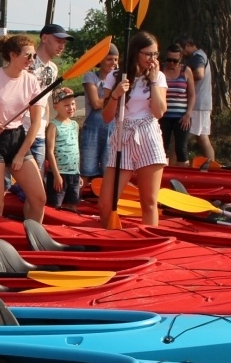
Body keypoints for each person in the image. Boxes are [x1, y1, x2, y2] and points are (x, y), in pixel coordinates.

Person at [0, 34, 47, 221]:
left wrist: (21, 154)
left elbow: (36, 122)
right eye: (28, 56)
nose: (32, 60)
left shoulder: (31, 81)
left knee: (39, 198)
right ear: (13, 55)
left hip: (18, 139)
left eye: (34, 56)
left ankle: (32, 240)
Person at [102, 31, 167, 228]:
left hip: (148, 134)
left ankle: (149, 242)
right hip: (123, 134)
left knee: (148, 202)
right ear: (136, 53)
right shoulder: (115, 76)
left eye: (155, 54)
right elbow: (106, 117)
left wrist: (154, 81)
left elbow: (159, 112)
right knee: (106, 203)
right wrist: (115, 94)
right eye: (148, 54)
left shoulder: (159, 77)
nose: (152, 59)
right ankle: (112, 238)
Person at [27, 23, 71, 171]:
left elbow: (45, 96)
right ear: (45, 38)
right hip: (18, 130)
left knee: (37, 180)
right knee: (8, 183)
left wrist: (62, 94)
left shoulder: (53, 68)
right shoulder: (27, 62)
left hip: (38, 131)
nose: (62, 46)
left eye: (64, 43)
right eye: (58, 41)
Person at [79, 46, 119, 185]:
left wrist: (110, 99)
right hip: (92, 129)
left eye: (115, 59)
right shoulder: (91, 76)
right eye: (109, 59)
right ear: (100, 60)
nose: (113, 63)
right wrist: (114, 97)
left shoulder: (119, 79)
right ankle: (76, 201)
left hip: (113, 129)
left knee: (109, 169)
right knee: (87, 169)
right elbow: (95, 103)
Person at [45, 86, 82, 210]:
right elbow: (50, 152)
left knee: (73, 203)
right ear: (56, 106)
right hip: (59, 174)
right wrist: (56, 175)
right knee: (56, 204)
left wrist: (78, 172)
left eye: (72, 104)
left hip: (74, 173)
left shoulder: (75, 125)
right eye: (66, 105)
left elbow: (76, 150)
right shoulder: (53, 126)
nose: (71, 108)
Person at [158, 46, 194, 165]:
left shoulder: (186, 71)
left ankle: (183, 175)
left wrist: (188, 114)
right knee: (161, 146)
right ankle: (162, 173)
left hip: (181, 116)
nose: (171, 63)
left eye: (175, 61)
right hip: (164, 115)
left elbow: (192, 94)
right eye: (169, 60)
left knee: (181, 148)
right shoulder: (160, 70)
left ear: (181, 59)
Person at [182, 36, 215, 163]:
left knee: (181, 138)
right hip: (202, 103)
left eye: (183, 48)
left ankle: (176, 165)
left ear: (188, 45)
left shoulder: (197, 57)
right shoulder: (201, 55)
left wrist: (185, 77)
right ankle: (211, 164)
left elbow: (199, 74)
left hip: (197, 104)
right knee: (203, 138)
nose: (183, 53)